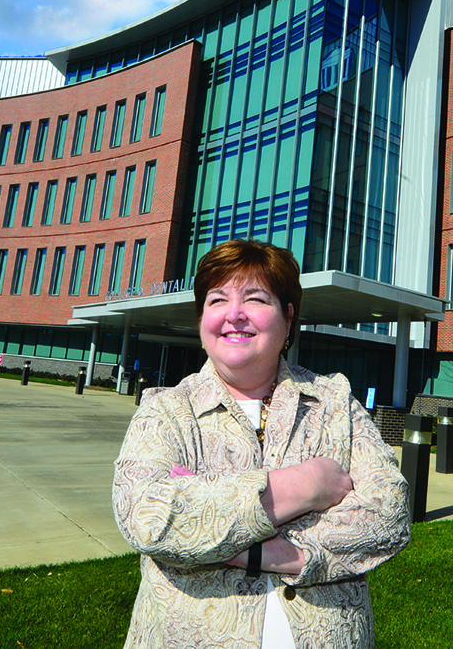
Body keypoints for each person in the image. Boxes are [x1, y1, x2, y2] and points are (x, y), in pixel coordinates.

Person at [113, 239, 410, 648]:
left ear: (287, 319)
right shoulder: (165, 411)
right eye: (217, 300)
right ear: (202, 320)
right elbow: (150, 518)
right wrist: (308, 487)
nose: (234, 314)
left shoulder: (335, 403)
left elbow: (389, 513)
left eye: (255, 299)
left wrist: (261, 553)